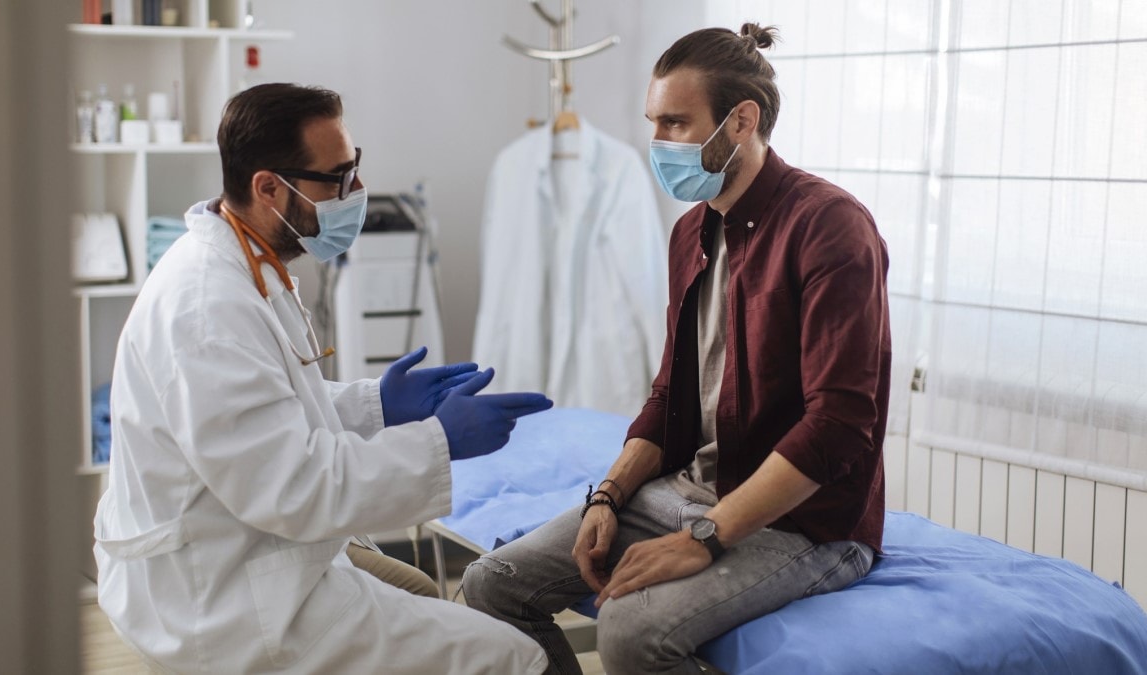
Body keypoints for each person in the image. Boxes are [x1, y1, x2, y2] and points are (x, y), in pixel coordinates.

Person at [461, 22, 891, 674]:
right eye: (652, 122)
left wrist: (707, 534)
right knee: (492, 583)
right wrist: (606, 495)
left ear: (741, 120)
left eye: (675, 123)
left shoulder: (830, 228)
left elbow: (838, 426)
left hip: (805, 522)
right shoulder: (691, 231)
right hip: (690, 490)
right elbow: (669, 395)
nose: (656, 142)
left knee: (631, 632)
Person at [93, 83, 552, 674]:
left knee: (413, 589)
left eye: (354, 168)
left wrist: (378, 406)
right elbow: (296, 487)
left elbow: (268, 412)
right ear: (268, 187)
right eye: (336, 178)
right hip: (220, 597)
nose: (355, 192)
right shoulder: (209, 309)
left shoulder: (249, 260)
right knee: (513, 659)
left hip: (248, 547)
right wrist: (440, 442)